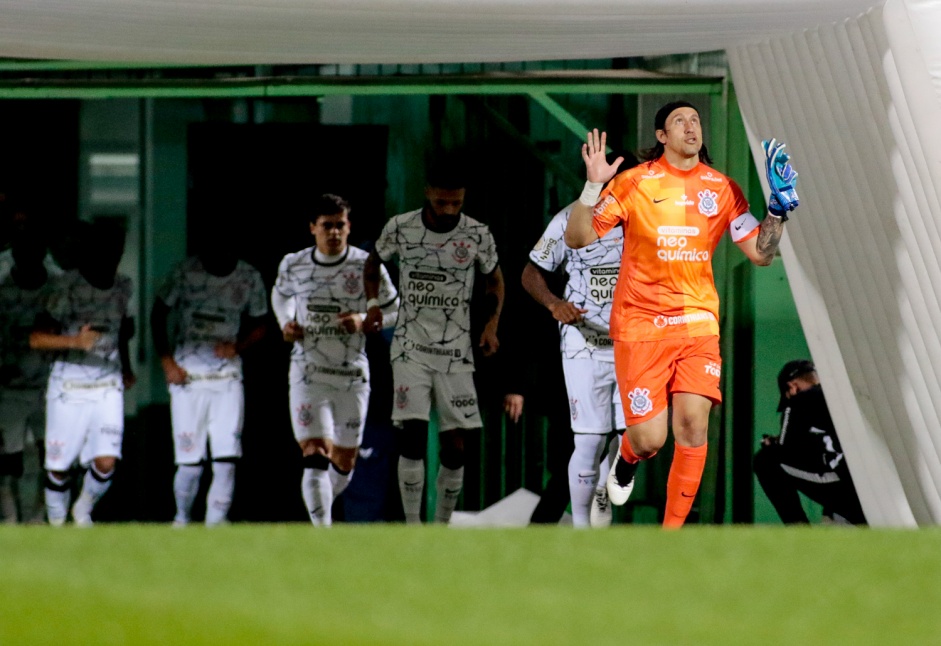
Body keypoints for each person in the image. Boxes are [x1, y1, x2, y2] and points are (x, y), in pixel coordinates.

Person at [565, 101, 799, 528]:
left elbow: (761, 254)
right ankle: (630, 455)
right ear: (661, 136)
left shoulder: (722, 189)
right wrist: (592, 187)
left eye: (695, 120)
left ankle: (672, 539)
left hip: (697, 326)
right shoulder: (635, 183)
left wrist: (777, 212)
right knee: (652, 439)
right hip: (640, 328)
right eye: (680, 121)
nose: (691, 127)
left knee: (693, 426)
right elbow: (578, 238)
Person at [364, 159, 505, 524]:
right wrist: (373, 304)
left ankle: (441, 524)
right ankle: (414, 526)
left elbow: (495, 281)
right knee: (412, 434)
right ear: (428, 193)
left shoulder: (477, 234)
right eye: (442, 203)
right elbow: (372, 262)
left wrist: (491, 326)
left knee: (455, 446)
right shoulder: (401, 227)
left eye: (455, 204)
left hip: (456, 350)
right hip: (411, 346)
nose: (448, 211)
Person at [522, 150, 638, 529]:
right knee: (589, 441)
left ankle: (602, 498)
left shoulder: (645, 220)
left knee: (632, 438)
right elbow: (531, 272)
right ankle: (583, 531)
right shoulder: (567, 220)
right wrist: (555, 303)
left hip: (634, 346)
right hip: (583, 346)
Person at [271, 194, 399, 526]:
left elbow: (395, 309)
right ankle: (322, 536)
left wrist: (365, 319)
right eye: (326, 226)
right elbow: (281, 293)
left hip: (351, 374)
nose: (334, 232)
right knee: (314, 450)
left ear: (349, 226)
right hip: (308, 372)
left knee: (344, 461)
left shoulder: (366, 265)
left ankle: (320, 509)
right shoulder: (294, 263)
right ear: (313, 228)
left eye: (340, 225)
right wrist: (285, 322)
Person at [151, 226, 268, 527]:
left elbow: (261, 323)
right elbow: (158, 313)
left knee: (226, 461)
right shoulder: (184, 272)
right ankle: (182, 520)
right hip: (187, 378)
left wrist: (238, 346)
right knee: (190, 464)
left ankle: (216, 523)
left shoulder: (249, 277)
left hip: (227, 380)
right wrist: (167, 362)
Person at [30, 221, 135, 527]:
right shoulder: (65, 286)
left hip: (107, 384)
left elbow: (123, 332)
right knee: (59, 467)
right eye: (109, 248)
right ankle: (58, 524)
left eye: (119, 248)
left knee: (106, 462)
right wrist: (76, 341)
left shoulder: (123, 286)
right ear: (93, 250)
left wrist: (126, 367)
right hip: (69, 385)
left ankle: (82, 510)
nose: (115, 255)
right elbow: (36, 338)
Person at [754, 360, 866, 525]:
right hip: (870, 487)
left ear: (792, 387)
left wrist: (773, 445)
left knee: (765, 459)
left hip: (848, 490)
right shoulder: (837, 394)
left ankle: (798, 530)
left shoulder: (799, 400)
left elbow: (787, 450)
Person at [0, 229, 60, 522]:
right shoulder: (2, 287)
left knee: (51, 458)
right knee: (9, 462)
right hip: (9, 387)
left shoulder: (57, 287)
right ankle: (11, 521)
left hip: (50, 386)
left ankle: (39, 519)